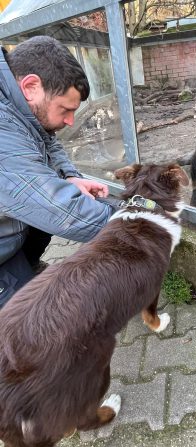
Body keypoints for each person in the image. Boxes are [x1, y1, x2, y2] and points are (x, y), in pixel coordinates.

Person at [0, 35, 117, 307]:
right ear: (30, 86)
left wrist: (70, 176)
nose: (70, 120)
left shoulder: (16, 104)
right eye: (65, 109)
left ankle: (23, 271)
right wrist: (136, 221)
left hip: (8, 230)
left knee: (42, 214)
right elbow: (60, 210)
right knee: (27, 325)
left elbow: (47, 140)